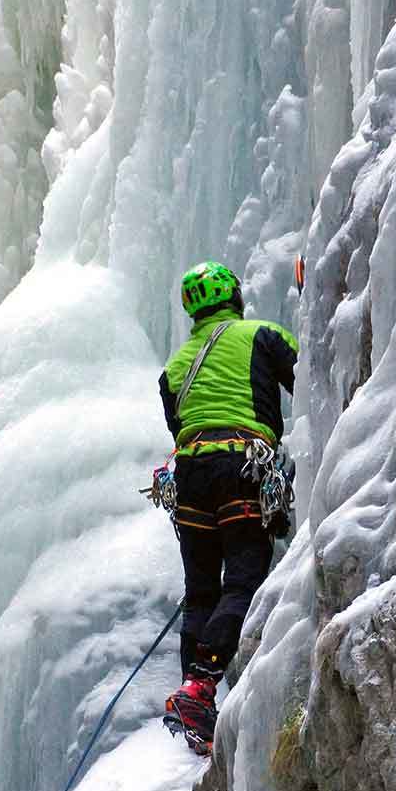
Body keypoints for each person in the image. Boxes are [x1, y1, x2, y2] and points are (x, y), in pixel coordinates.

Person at [158, 261, 298, 755]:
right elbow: (310, 372)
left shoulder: (175, 368)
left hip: (190, 475)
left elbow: (179, 425)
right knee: (241, 580)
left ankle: (195, 708)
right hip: (241, 464)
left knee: (201, 594)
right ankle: (201, 687)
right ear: (234, 297)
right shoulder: (261, 334)